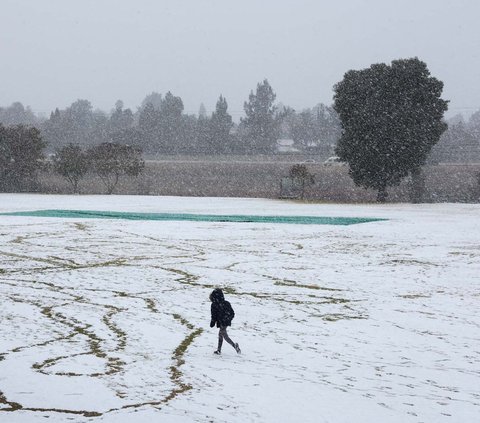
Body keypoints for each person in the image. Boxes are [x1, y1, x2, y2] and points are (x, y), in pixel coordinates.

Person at [209, 288, 241, 355]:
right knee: (221, 334)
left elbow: (214, 315)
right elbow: (232, 313)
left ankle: (234, 346)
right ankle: (219, 350)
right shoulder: (226, 303)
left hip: (224, 321)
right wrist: (228, 318)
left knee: (223, 334)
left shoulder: (215, 305)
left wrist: (213, 322)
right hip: (224, 321)